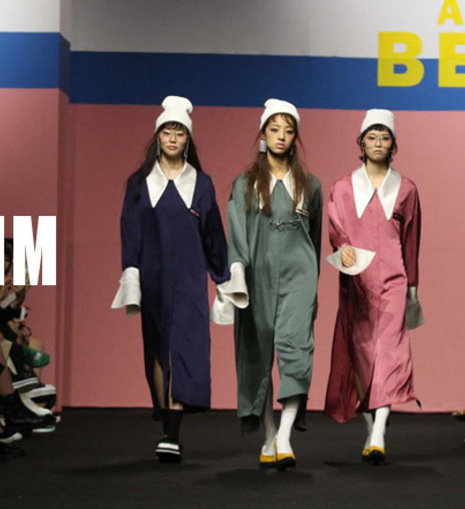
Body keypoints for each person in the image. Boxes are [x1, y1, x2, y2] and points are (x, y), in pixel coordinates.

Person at [112, 96, 230, 463]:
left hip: (190, 281)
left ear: (188, 138)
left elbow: (213, 235)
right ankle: (167, 425)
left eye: (180, 132)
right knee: (158, 351)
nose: (173, 138)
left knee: (186, 349)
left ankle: (172, 434)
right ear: (158, 136)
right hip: (153, 279)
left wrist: (223, 279)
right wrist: (131, 273)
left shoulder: (202, 184)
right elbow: (130, 232)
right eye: (167, 131)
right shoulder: (139, 183)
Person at [219, 98, 322, 471]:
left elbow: (314, 237)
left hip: (299, 276)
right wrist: (237, 275)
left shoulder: (309, 185)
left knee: (297, 352)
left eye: (288, 130)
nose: (281, 136)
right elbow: (237, 233)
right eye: (274, 129)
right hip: (256, 277)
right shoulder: (246, 183)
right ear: (263, 134)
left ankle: (285, 437)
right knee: (257, 355)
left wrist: (313, 286)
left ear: (296, 137)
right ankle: (268, 434)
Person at [324, 109, 423, 465]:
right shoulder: (342, 187)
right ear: (361, 143)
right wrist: (342, 247)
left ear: (393, 145)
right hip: (357, 283)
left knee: (391, 354)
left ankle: (379, 430)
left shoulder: (406, 189)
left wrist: (412, 287)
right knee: (363, 358)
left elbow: (411, 241)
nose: (378, 143)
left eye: (384, 137)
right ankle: (372, 428)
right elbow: (336, 230)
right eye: (372, 137)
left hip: (394, 280)